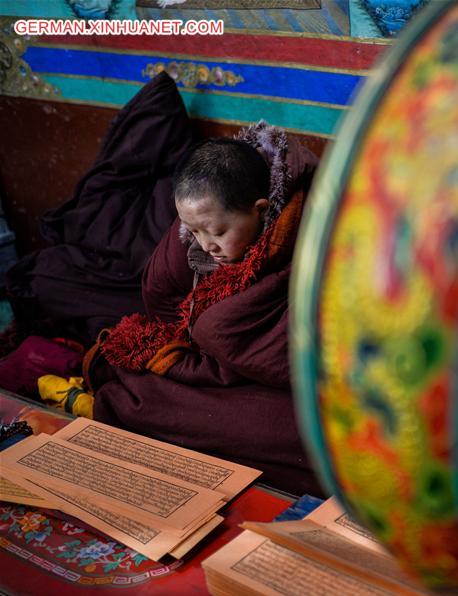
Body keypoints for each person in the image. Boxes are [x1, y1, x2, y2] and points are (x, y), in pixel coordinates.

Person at [79, 121, 322, 496]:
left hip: (291, 382)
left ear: (260, 210)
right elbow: (160, 296)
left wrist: (218, 335)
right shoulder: (194, 231)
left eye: (218, 232)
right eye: (194, 231)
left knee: (311, 434)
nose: (206, 245)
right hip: (216, 370)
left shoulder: (311, 222)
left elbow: (308, 340)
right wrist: (201, 357)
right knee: (140, 389)